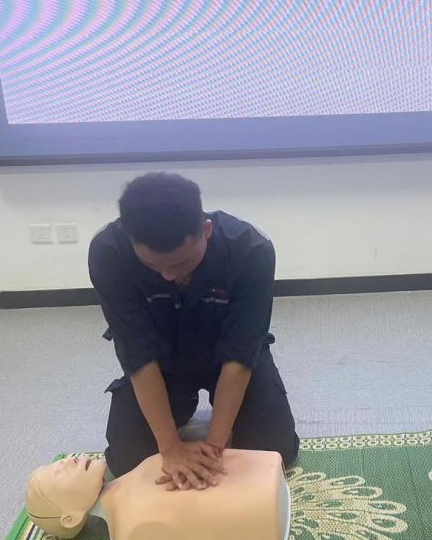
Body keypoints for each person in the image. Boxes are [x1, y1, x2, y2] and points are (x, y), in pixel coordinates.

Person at [88, 172, 299, 488]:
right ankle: (180, 406)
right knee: (128, 460)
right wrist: (170, 447)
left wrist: (214, 448)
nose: (167, 275)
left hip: (227, 356)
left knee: (277, 450)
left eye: (181, 263)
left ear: (206, 230)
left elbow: (240, 354)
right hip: (162, 362)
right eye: (153, 266)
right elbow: (137, 352)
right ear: (131, 242)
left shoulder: (251, 250)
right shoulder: (109, 253)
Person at [25, 452, 290, 540]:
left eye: (59, 463)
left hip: (265, 490)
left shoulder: (144, 469)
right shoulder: (133, 530)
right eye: (58, 474)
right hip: (263, 506)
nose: (68, 460)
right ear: (70, 518)